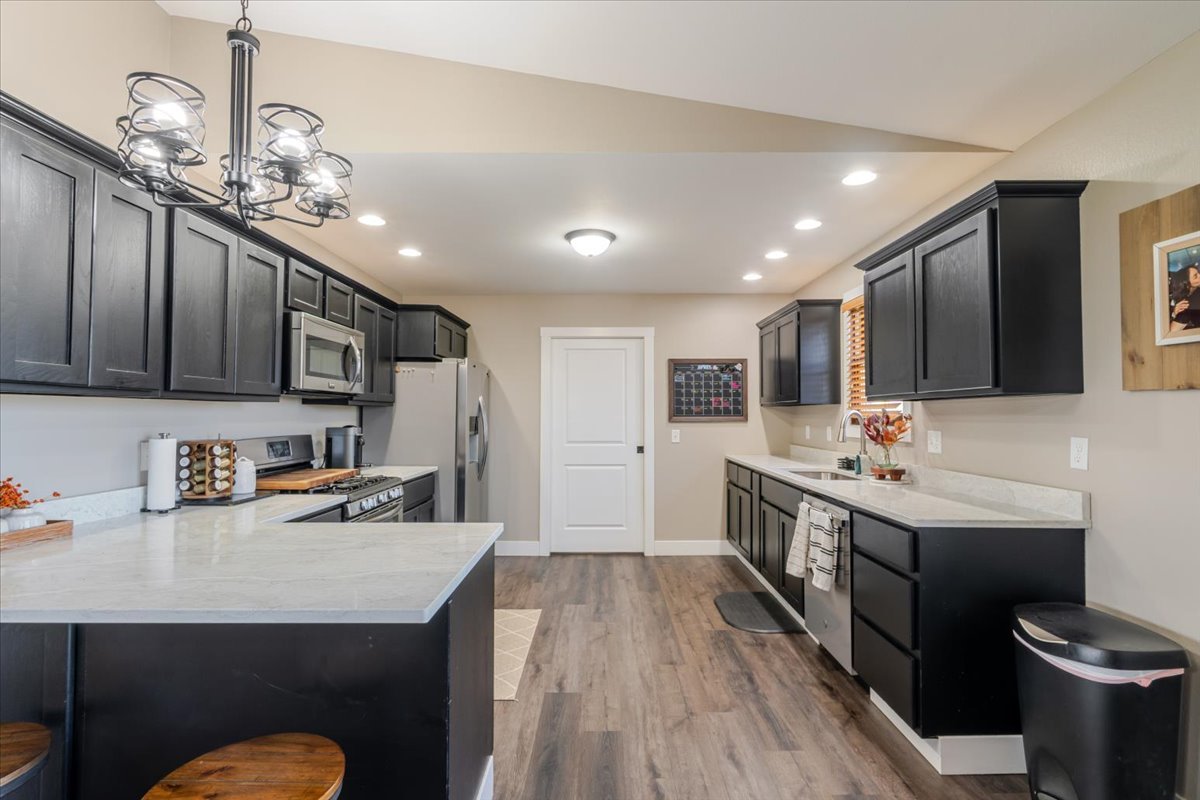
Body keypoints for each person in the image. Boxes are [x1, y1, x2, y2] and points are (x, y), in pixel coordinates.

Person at [1169, 263, 1200, 331]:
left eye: (1198, 273)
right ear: (1187, 284)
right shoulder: (1186, 303)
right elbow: (1172, 331)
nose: (1199, 275)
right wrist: (1173, 313)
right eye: (1195, 276)